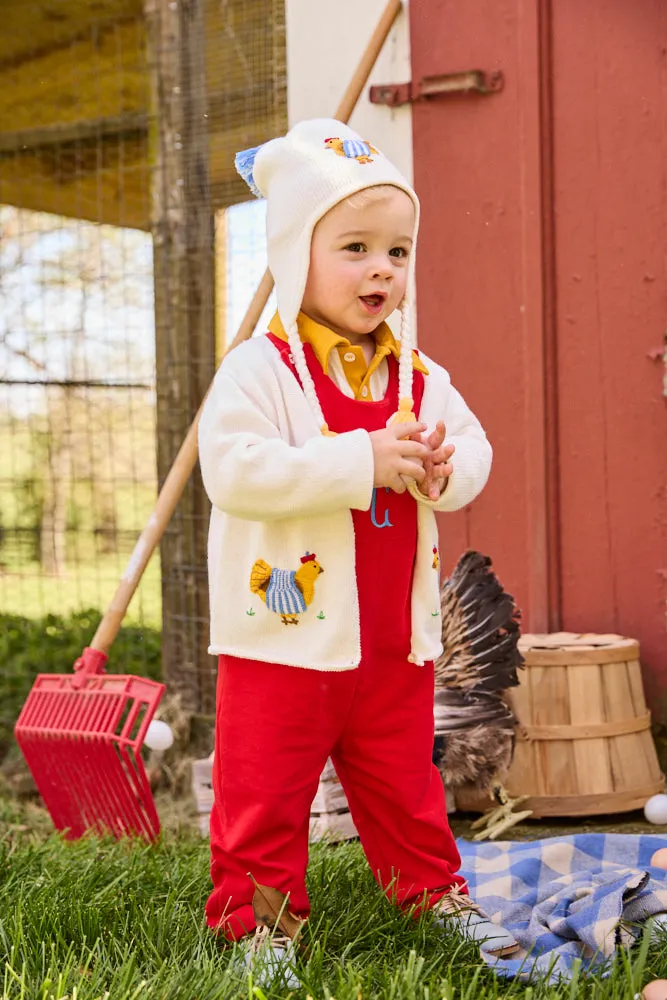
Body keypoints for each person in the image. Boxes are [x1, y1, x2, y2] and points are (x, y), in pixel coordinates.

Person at [198, 118, 518, 985]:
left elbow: (475, 451)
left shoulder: (416, 374)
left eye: (398, 251)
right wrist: (361, 460)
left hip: (390, 644)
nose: (383, 268)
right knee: (263, 794)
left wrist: (445, 470)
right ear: (298, 255)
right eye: (355, 248)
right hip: (284, 636)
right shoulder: (258, 373)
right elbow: (235, 472)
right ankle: (256, 930)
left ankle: (431, 894)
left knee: (405, 789)